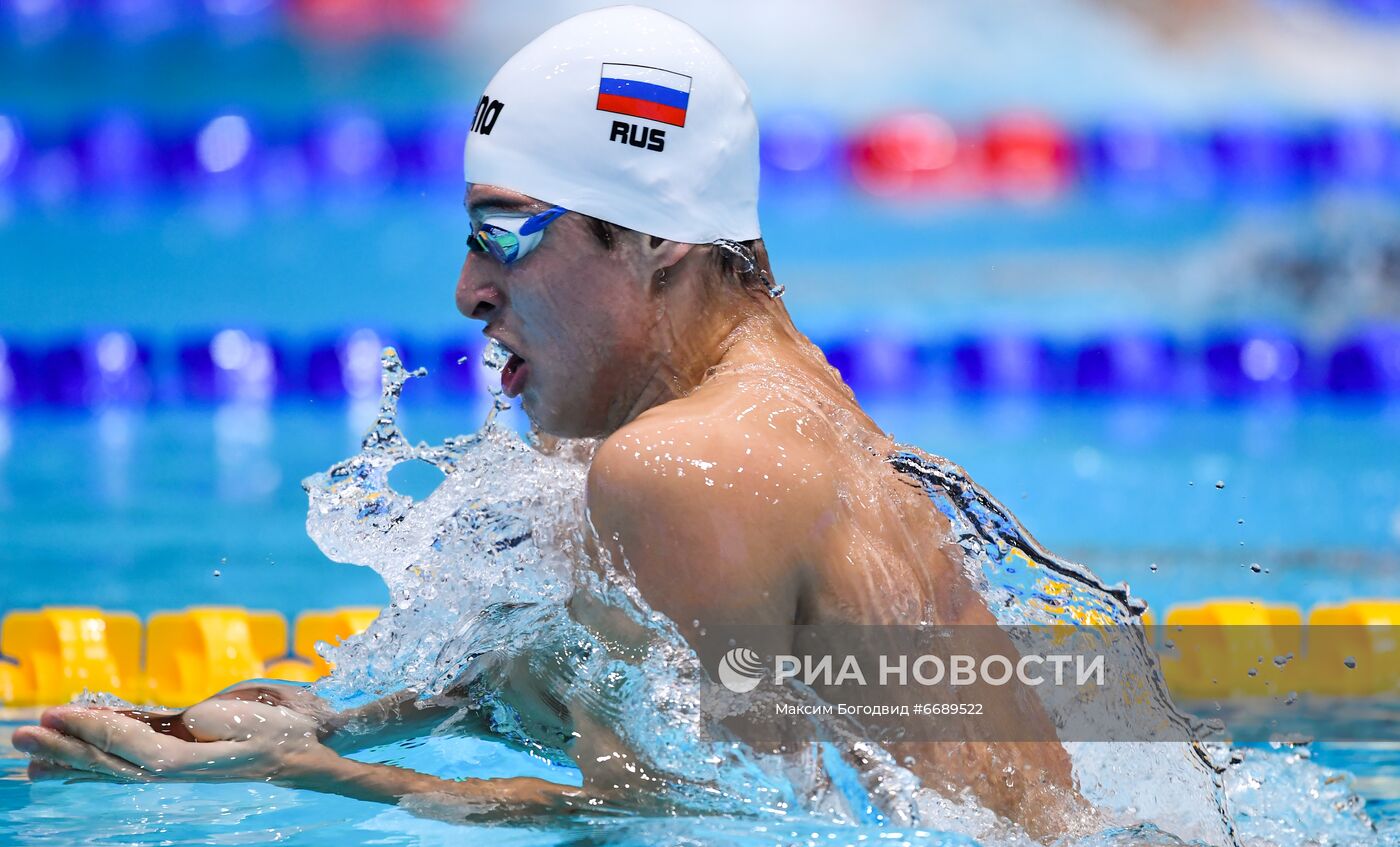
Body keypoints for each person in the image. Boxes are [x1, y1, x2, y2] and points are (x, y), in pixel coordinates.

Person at [13, 6, 1091, 839]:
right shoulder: (774, 414)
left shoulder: (682, 463)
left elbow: (708, 829)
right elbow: (680, 740)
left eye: (505, 235)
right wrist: (332, 719)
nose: (468, 290)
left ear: (656, 237)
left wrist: (309, 776)